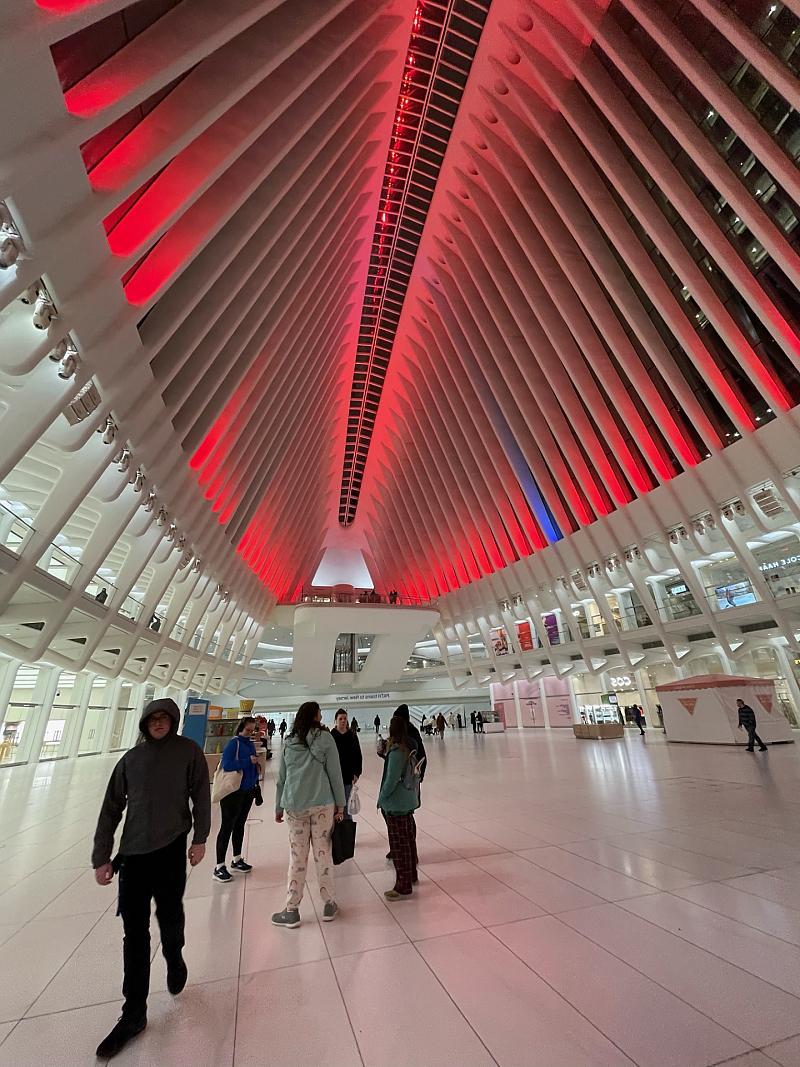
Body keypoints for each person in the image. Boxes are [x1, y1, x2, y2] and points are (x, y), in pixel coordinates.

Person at [91, 699, 210, 1059]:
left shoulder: (188, 752)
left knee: (170, 918)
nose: (158, 723)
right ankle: (133, 1014)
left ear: (173, 721)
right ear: (144, 723)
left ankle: (174, 957)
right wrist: (102, 856)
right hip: (134, 856)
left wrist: (200, 838)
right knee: (135, 934)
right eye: (152, 719)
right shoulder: (131, 759)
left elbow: (201, 796)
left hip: (171, 850)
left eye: (164, 718)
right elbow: (111, 808)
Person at [272, 702, 346, 928]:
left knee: (297, 857)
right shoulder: (325, 738)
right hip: (323, 803)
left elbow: (282, 779)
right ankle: (329, 903)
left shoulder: (288, 741)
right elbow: (335, 773)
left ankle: (292, 909)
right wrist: (341, 805)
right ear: (315, 716)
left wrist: (278, 806)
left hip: (295, 806)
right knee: (322, 852)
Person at [213, 716, 260, 883]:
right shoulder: (234, 743)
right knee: (227, 827)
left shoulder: (249, 743)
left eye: (252, 730)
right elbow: (227, 764)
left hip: (246, 791)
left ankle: (237, 858)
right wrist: (248, 761)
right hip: (233, 793)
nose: (249, 733)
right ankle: (219, 866)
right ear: (241, 728)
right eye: (247, 730)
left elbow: (253, 767)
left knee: (239, 825)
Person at [378, 716, 420, 899]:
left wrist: (381, 798)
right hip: (408, 802)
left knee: (399, 845)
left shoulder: (396, 753)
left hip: (396, 805)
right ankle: (411, 875)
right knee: (408, 841)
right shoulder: (408, 748)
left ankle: (402, 885)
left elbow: (391, 780)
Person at [331, 708, 362, 820]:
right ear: (336, 720)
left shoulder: (352, 736)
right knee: (334, 808)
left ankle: (347, 833)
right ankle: (335, 834)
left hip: (348, 777)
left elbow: (358, 756)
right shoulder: (331, 736)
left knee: (346, 807)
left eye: (345, 718)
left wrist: (357, 773)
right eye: (340, 719)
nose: (343, 721)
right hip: (334, 777)